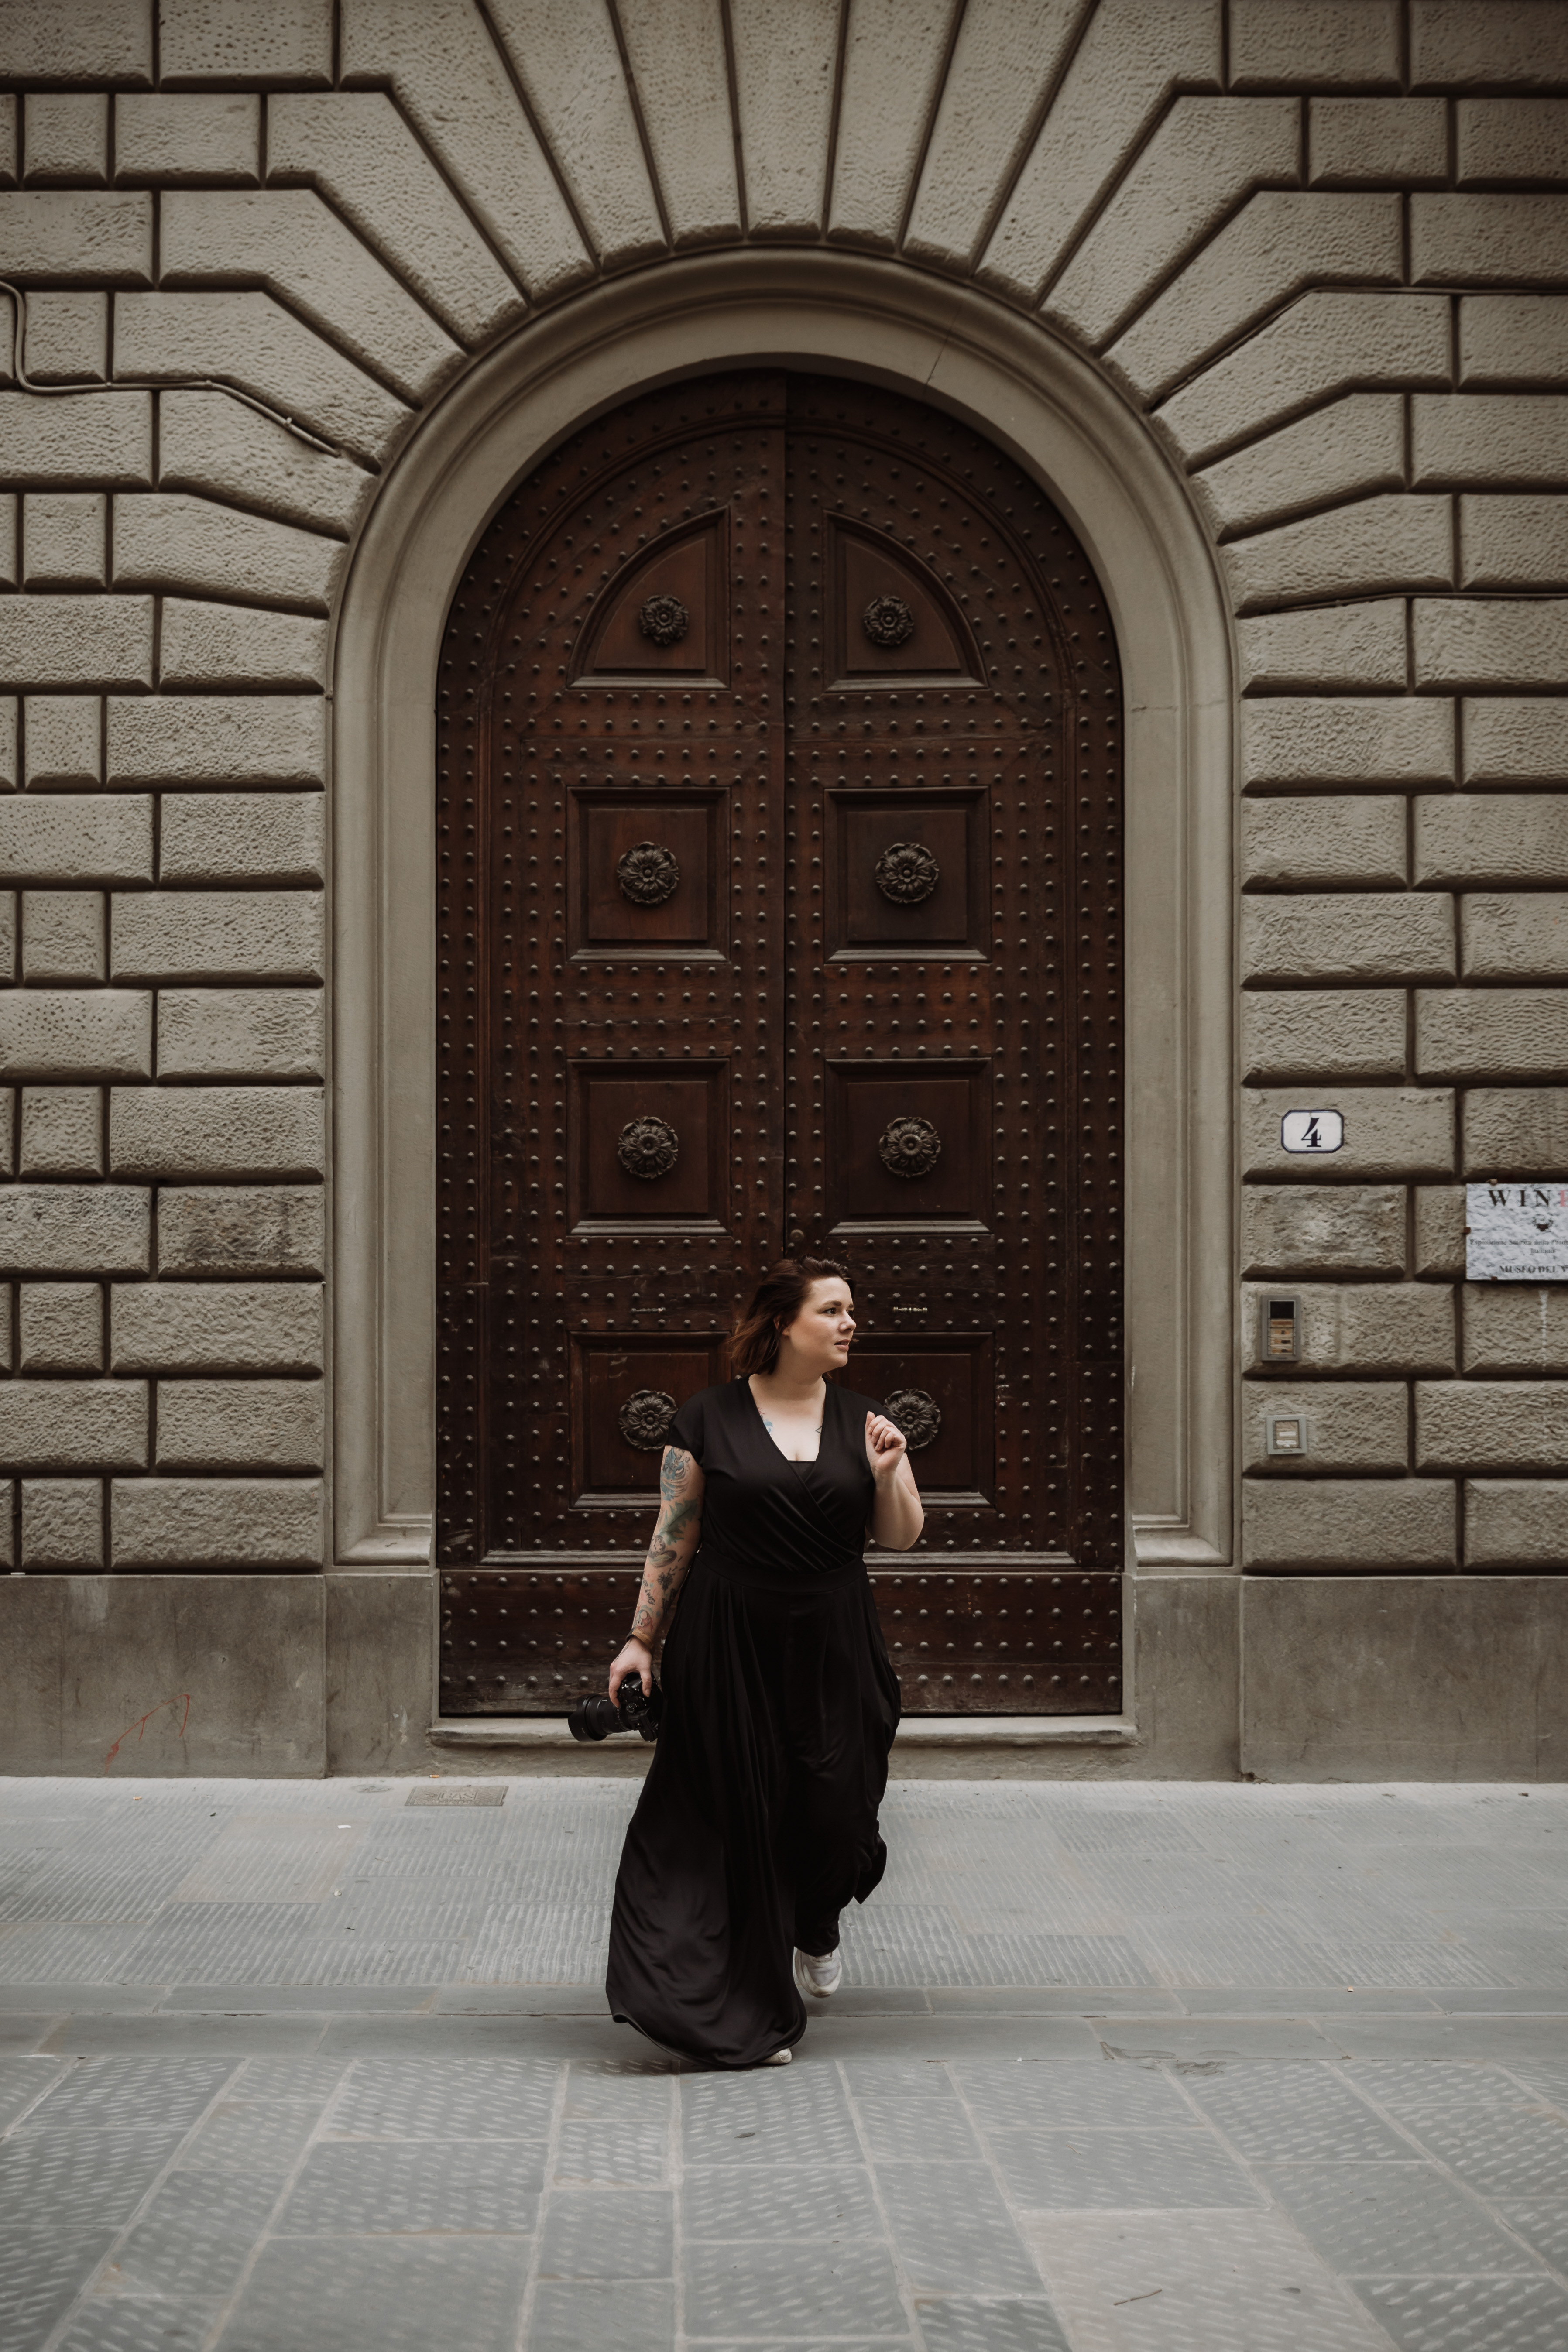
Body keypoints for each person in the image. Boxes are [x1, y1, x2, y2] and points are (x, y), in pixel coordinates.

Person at [604, 1257, 925, 2067]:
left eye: (851, 1309)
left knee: (840, 1809)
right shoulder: (705, 1419)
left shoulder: (868, 1421)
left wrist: (888, 1474)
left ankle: (815, 1922)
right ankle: (736, 2005)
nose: (850, 1323)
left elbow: (899, 1537)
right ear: (784, 1322)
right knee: (733, 1815)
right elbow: (672, 1535)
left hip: (834, 1637)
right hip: (728, 1636)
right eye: (833, 1310)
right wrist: (642, 1639)